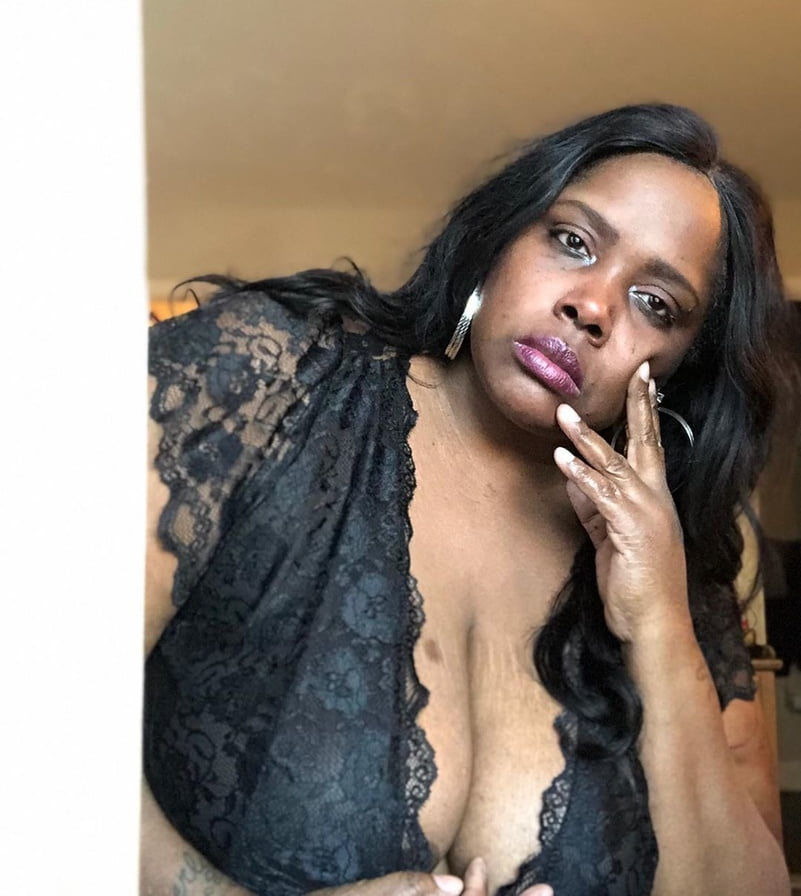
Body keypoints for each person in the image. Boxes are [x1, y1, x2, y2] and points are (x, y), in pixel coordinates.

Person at [141, 104, 795, 896]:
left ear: (679, 371)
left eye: (655, 303)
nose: (592, 306)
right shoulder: (268, 384)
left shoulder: (677, 582)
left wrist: (658, 625)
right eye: (572, 241)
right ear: (500, 240)